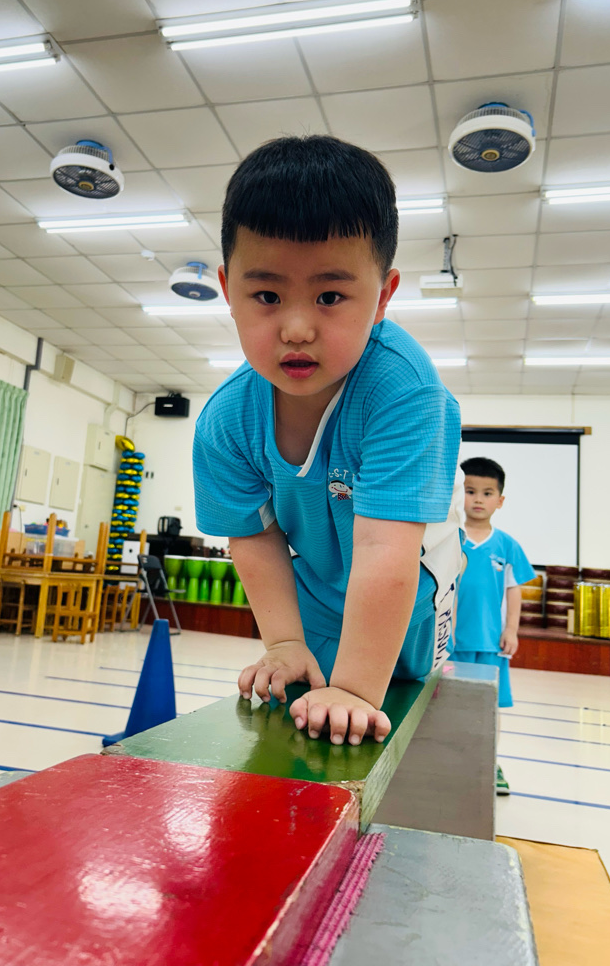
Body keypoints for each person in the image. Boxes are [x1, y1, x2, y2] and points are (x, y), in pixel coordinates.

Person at [193, 134, 462, 747]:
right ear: (228, 290)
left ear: (382, 297)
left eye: (330, 296)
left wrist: (357, 689)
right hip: (314, 589)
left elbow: (385, 549)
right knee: (302, 721)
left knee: (404, 718)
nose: (296, 327)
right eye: (267, 296)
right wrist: (284, 642)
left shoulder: (404, 391)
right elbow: (254, 538)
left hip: (412, 592)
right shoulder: (225, 421)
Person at [451, 456, 535, 795]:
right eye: (471, 491)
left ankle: (489, 762)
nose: (478, 499)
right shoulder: (450, 539)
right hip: (451, 645)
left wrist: (511, 629)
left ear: (500, 501)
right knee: (450, 706)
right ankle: (451, 761)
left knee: (489, 710)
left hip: (490, 645)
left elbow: (514, 590)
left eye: (487, 493)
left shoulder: (507, 545)